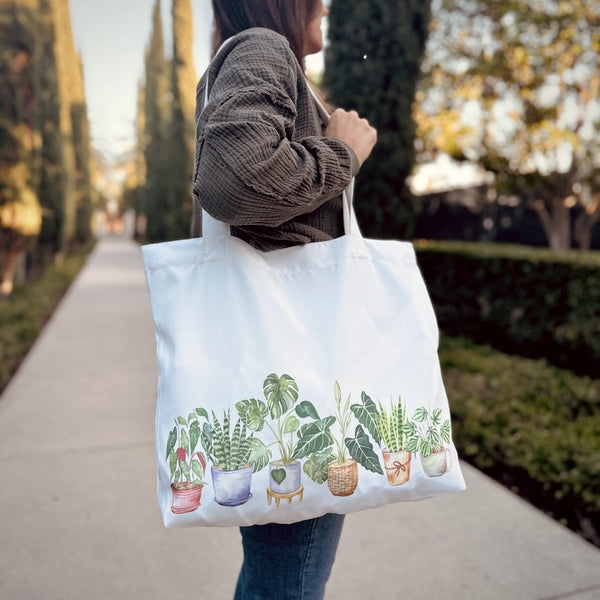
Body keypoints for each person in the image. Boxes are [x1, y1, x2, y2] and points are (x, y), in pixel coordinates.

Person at [191, 1, 377, 598]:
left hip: (282, 357)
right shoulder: (263, 48)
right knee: (290, 578)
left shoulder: (258, 56)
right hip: (297, 367)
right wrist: (343, 153)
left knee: (280, 570)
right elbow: (236, 178)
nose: (325, 4)